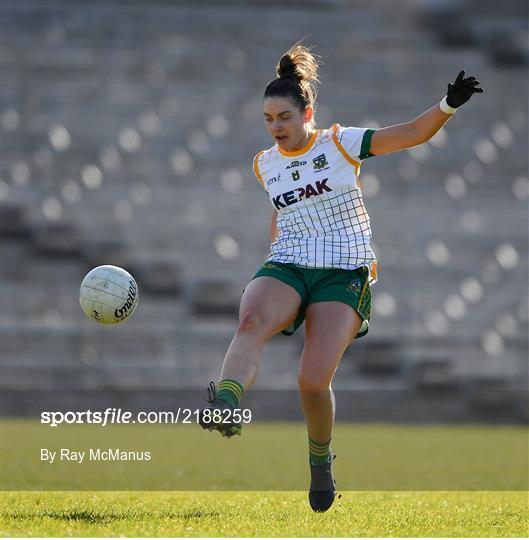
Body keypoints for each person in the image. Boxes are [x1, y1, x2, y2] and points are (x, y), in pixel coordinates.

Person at [199, 43, 483, 512]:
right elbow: (284, 211)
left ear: (308, 111)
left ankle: (320, 462)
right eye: (268, 119)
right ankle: (226, 403)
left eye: (284, 117)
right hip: (289, 262)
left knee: (312, 381)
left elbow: (412, 132)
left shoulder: (340, 143)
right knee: (250, 320)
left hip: (343, 270)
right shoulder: (263, 163)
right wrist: (277, 250)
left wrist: (447, 105)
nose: (276, 128)